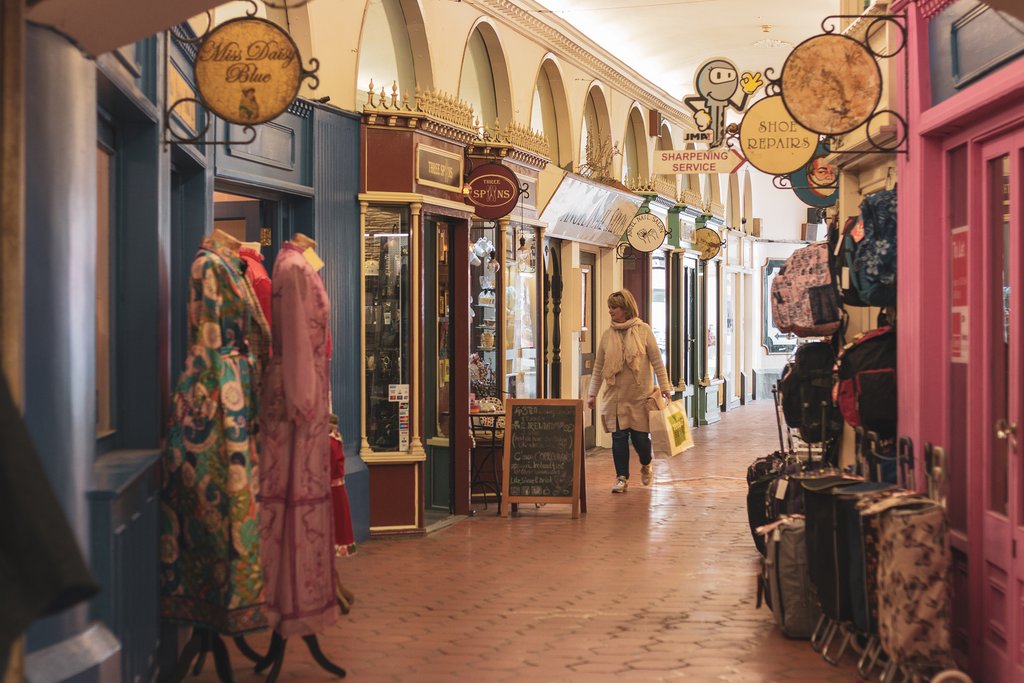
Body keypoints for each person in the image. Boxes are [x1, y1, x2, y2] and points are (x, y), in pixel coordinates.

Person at [587, 289, 673, 493]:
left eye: (614, 308)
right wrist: (592, 394)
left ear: (625, 309)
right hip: (615, 397)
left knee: (640, 440)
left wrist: (666, 388)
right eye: (609, 307)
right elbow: (599, 367)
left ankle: (646, 463)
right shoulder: (607, 336)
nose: (610, 311)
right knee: (618, 438)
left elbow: (657, 363)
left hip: (640, 396)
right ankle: (621, 478)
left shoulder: (644, 331)